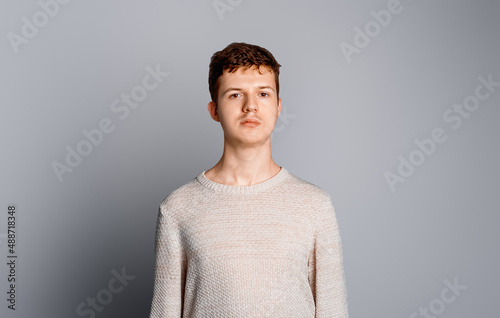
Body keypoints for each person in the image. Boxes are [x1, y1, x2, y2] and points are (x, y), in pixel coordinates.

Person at [149, 42, 349, 317]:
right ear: (214, 110)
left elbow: (333, 311)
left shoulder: (315, 206)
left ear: (278, 107)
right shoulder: (178, 208)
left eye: (263, 94)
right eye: (234, 95)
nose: (250, 106)